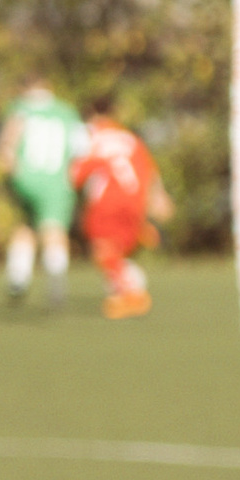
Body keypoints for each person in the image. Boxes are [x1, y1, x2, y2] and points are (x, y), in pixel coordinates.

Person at [72, 98, 172, 321]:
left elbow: (78, 172)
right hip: (135, 201)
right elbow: (150, 173)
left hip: (107, 201)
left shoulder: (91, 137)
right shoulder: (130, 138)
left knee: (102, 249)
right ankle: (125, 287)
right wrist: (159, 198)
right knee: (116, 249)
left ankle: (132, 293)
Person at [0, 81, 85, 305]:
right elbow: (82, 150)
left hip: (26, 177)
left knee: (27, 223)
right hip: (56, 180)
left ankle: (18, 275)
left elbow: (7, 146)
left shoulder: (20, 108)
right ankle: (56, 284)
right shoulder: (66, 111)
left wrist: (12, 174)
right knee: (54, 230)